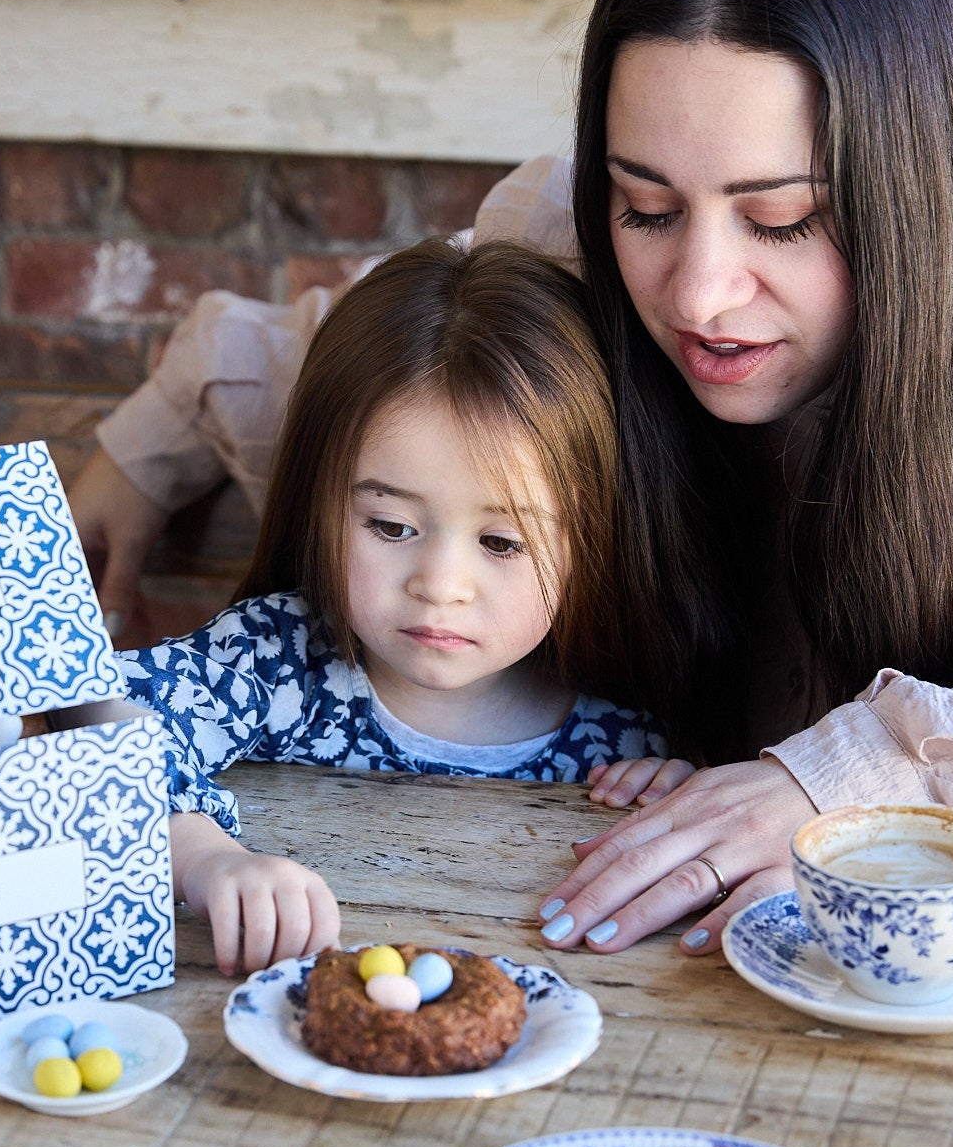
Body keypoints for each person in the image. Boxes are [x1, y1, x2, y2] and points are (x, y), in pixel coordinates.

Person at [70, 0, 953, 969]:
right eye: (644, 205)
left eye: (782, 217)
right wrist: (147, 448)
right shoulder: (562, 239)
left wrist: (848, 775)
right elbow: (378, 363)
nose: (696, 293)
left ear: (920, 182)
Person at [118, 235, 689, 974]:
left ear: (595, 536)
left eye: (502, 542)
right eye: (391, 527)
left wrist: (682, 794)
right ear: (320, 499)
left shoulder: (629, 739)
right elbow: (94, 726)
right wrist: (205, 861)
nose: (440, 583)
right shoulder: (271, 663)